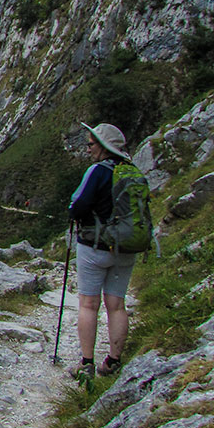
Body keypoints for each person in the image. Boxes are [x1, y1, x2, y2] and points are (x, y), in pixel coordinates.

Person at [68, 122, 135, 380]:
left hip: (95, 247)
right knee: (117, 305)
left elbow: (78, 205)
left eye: (91, 144)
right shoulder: (132, 171)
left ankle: (87, 363)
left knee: (89, 304)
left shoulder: (97, 171)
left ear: (103, 147)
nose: (88, 149)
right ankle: (114, 361)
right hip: (126, 248)